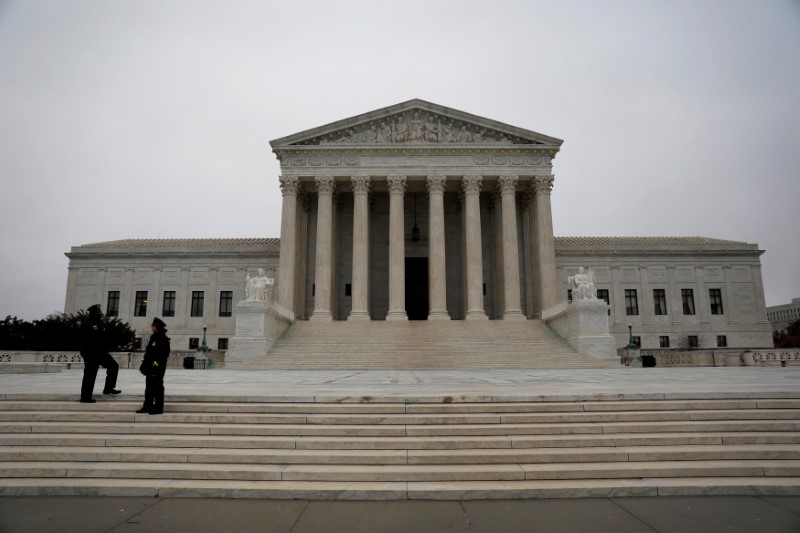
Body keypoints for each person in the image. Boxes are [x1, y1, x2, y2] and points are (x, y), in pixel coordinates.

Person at [78, 304, 120, 403]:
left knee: (113, 366)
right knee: (90, 375)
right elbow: (85, 340)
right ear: (93, 313)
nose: (100, 313)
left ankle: (108, 388)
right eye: (98, 312)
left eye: (99, 311)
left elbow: (103, 338)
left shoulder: (100, 323)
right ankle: (85, 397)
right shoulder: (88, 324)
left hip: (101, 353)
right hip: (91, 353)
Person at [137, 317, 171, 415]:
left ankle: (158, 408)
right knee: (149, 388)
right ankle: (147, 406)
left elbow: (162, 356)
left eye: (152, 326)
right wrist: (145, 364)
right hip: (150, 368)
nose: (151, 327)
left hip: (157, 368)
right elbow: (149, 353)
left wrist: (154, 365)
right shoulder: (153, 337)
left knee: (158, 388)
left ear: (156, 327)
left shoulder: (163, 339)